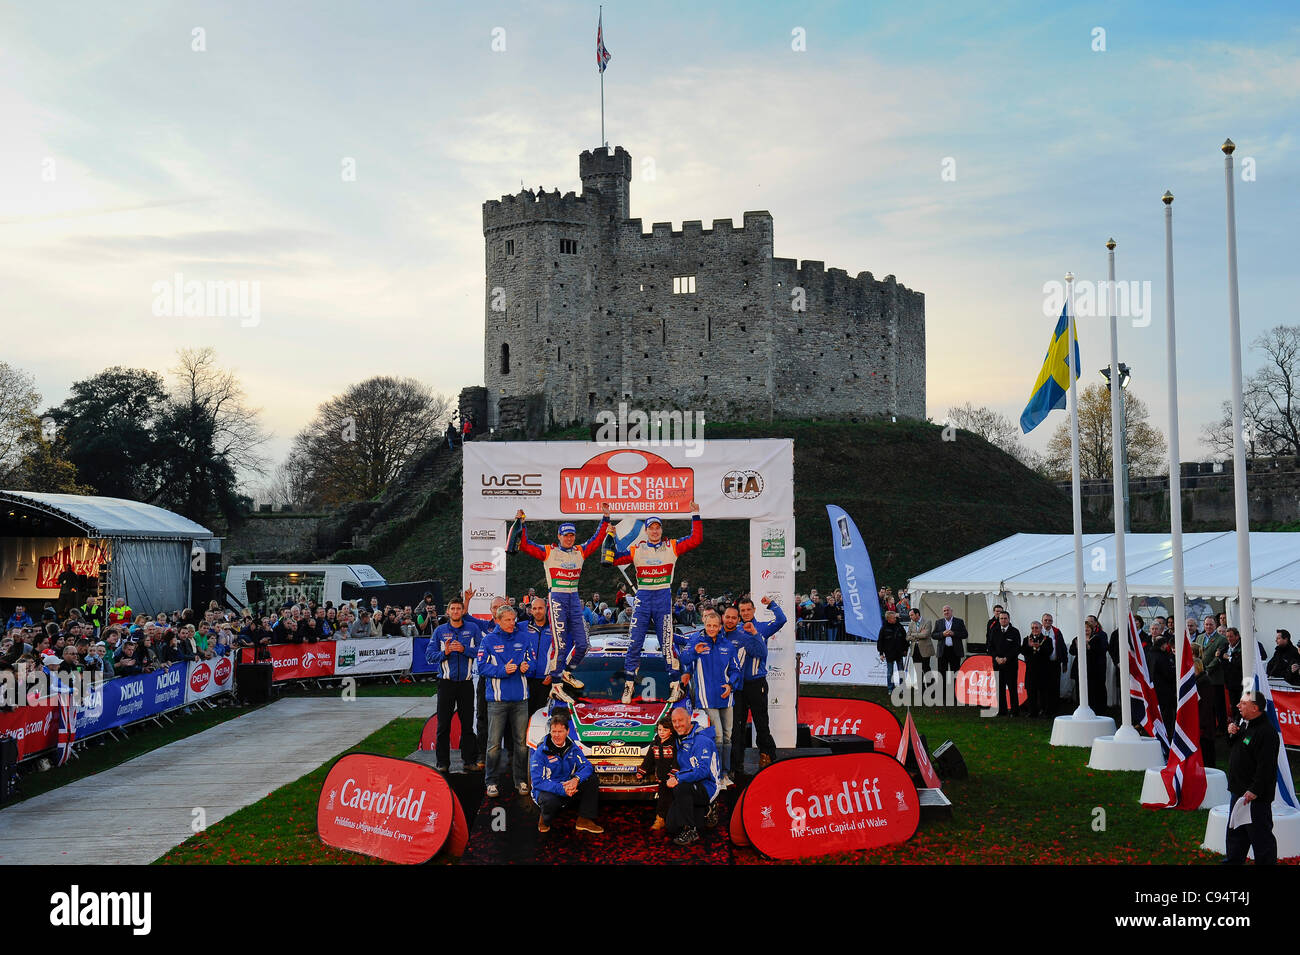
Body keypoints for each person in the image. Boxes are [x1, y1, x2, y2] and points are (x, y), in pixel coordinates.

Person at [610, 505, 702, 704]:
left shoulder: (672, 546)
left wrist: (695, 515)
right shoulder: (637, 549)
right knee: (634, 642)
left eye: (657, 527)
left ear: (661, 530)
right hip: (643, 598)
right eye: (651, 527)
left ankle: (675, 686)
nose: (654, 530)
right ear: (646, 531)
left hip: (662, 597)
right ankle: (629, 685)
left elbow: (696, 540)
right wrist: (609, 537)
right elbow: (614, 559)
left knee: (667, 645)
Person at [516, 504, 611, 692]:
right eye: (565, 535)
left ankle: (566, 672)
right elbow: (525, 545)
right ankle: (556, 684)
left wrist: (606, 518)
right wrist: (521, 523)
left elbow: (596, 540)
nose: (569, 538)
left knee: (583, 645)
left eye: (571, 535)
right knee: (560, 644)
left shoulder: (580, 551)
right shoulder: (549, 551)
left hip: (574, 598)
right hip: (557, 597)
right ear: (559, 536)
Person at [679, 609, 743, 788]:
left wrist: (731, 685)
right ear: (704, 625)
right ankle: (718, 774)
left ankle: (725, 774)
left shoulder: (728, 646)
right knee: (719, 736)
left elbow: (735, 670)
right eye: (709, 625)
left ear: (720, 626)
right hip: (706, 698)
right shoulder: (697, 641)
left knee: (728, 737)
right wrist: (694, 652)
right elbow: (684, 659)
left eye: (715, 626)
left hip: (726, 697)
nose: (712, 628)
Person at [476, 604, 535, 798]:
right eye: (507, 620)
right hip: (497, 701)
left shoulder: (524, 638)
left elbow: (532, 662)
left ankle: (521, 780)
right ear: (498, 621)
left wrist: (528, 667)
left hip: (520, 700)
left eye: (513, 619)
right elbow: (482, 667)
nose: (512, 623)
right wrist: (503, 671)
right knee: (493, 744)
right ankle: (491, 782)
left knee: (520, 743)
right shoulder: (489, 640)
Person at [731, 595, 787, 775]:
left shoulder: (762, 627)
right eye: (743, 611)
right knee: (737, 726)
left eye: (748, 609)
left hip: (757, 683)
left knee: (761, 722)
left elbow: (782, 619)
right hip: (738, 686)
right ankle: (736, 762)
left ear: (754, 610)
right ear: (739, 613)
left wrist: (771, 604)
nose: (746, 613)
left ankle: (767, 755)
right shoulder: (735, 630)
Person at [425, 594, 482, 772]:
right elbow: (429, 656)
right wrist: (446, 652)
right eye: (453, 609)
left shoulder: (472, 628)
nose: (456, 611)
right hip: (446, 683)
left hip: (466, 684)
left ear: (463, 610)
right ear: (448, 612)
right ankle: (442, 763)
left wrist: (465, 649)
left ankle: (469, 761)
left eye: (459, 608)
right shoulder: (440, 631)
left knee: (467, 724)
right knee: (443, 725)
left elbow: (482, 651)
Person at [1224, 691, 1279, 865]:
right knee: (1236, 833)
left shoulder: (1267, 733)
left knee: (1261, 837)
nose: (1238, 706)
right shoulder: (1247, 724)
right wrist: (1232, 734)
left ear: (1255, 708)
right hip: (1238, 791)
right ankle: (1233, 861)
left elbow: (1266, 767)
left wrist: (1254, 790)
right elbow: (1242, 747)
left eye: (1243, 703)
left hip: (1254, 797)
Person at [530, 713, 603, 833]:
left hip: (569, 785)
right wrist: (562, 789)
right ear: (550, 732)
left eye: (560, 731)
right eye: (554, 731)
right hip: (550, 789)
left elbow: (587, 766)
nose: (557, 735)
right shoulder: (540, 752)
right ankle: (545, 817)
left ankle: (584, 820)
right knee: (549, 801)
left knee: (592, 779)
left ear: (567, 731)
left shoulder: (572, 748)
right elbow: (538, 782)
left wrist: (576, 779)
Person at [664, 704, 722, 846]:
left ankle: (691, 831)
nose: (677, 724)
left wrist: (678, 778)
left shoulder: (702, 740)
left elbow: (702, 771)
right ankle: (706, 810)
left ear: (689, 719)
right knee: (671, 826)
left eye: (681, 720)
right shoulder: (680, 738)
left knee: (680, 788)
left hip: (708, 785)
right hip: (690, 785)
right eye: (674, 721)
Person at [635, 714, 680, 831]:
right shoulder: (655, 743)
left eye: (665, 730)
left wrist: (673, 774)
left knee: (672, 799)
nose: (662, 732)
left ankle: (669, 820)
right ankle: (661, 819)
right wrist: (642, 771)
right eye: (660, 730)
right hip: (661, 777)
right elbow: (649, 759)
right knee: (663, 799)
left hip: (673, 778)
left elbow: (677, 760)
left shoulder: (674, 743)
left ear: (671, 731)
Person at [989, 610, 1021, 717]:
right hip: (997, 664)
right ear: (999, 619)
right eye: (1001, 618)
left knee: (1012, 688)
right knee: (999, 688)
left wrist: (1006, 658)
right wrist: (996, 657)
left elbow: (1016, 648)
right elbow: (990, 647)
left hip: (1010, 665)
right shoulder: (994, 631)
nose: (1003, 620)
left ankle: (1014, 711)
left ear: (1009, 619)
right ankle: (1002, 710)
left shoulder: (1014, 632)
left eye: (1005, 618)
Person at [1023, 620, 1056, 718]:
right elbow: (1022, 651)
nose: (1034, 630)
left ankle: (1044, 711)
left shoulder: (1047, 639)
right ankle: (1032, 711)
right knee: (1031, 691)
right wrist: (1029, 646)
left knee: (1043, 692)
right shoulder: (1026, 639)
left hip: (1043, 670)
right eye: (1032, 628)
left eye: (1036, 628)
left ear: (1041, 628)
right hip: (1031, 670)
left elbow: (1049, 652)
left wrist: (1039, 648)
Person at [1202, 622, 1230, 735]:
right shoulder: (1200, 637)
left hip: (1215, 677)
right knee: (1207, 705)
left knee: (1218, 705)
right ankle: (1210, 727)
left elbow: (1217, 657)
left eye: (1211, 625)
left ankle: (1222, 728)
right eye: (1206, 624)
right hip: (1202, 676)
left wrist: (1207, 669)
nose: (1208, 627)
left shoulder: (1221, 639)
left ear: (1215, 625)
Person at [876, 610, 908, 689]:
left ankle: (902, 688)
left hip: (899, 653)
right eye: (893, 618)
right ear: (888, 619)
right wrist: (881, 653)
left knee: (901, 671)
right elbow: (880, 641)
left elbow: (905, 638)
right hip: (889, 653)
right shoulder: (883, 628)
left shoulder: (899, 626)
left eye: (895, 617)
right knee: (890, 672)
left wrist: (905, 649)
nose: (895, 619)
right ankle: (890, 688)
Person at [934, 606, 968, 675]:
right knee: (942, 672)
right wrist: (942, 634)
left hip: (955, 650)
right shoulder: (938, 622)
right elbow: (933, 635)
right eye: (944, 611)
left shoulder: (959, 621)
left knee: (955, 672)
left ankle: (954, 686)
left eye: (947, 610)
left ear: (951, 611)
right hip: (943, 651)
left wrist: (954, 633)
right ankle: (943, 686)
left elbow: (965, 634)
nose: (946, 612)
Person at [905, 607, 934, 684]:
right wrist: (919, 635)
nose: (910, 617)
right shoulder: (911, 624)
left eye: (911, 615)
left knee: (926, 669)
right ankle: (921, 690)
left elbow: (925, 635)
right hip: (915, 650)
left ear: (917, 614)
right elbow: (907, 637)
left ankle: (931, 688)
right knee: (918, 670)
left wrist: (913, 634)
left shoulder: (927, 622)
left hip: (925, 649)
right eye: (910, 615)